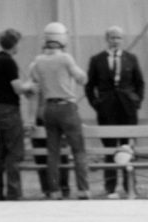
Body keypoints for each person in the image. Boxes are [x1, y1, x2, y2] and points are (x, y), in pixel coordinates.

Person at [27, 22, 90, 199]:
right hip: (67, 108)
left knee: (52, 152)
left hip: (48, 109)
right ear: (62, 37)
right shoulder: (65, 58)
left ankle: (53, 191)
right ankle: (83, 189)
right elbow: (81, 78)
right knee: (78, 150)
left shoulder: (38, 61)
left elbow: (33, 85)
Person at [86, 26, 145, 199]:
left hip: (127, 109)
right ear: (107, 39)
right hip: (106, 109)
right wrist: (97, 104)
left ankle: (129, 186)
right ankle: (110, 186)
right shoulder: (97, 60)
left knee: (128, 148)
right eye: (112, 37)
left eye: (118, 38)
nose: (115, 41)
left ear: (122, 39)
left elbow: (139, 83)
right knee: (109, 148)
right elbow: (90, 86)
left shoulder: (131, 59)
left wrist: (136, 101)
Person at [0, 28, 32, 200]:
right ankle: (14, 193)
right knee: (15, 152)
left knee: (1, 152)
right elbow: (17, 88)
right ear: (14, 44)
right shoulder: (8, 62)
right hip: (9, 109)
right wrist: (30, 87)